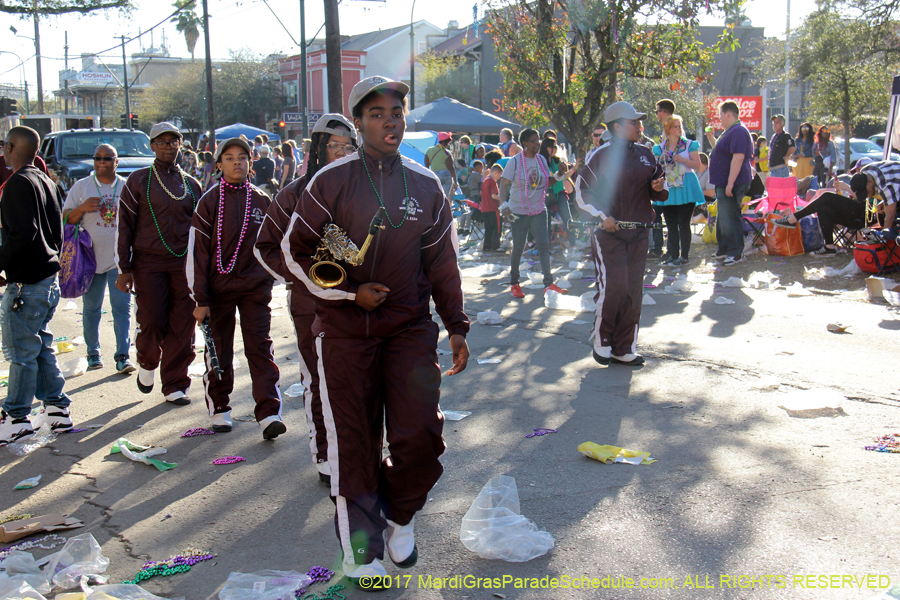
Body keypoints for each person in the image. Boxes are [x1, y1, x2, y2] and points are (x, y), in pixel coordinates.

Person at [281, 75, 469, 585]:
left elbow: (442, 262)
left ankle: (400, 516)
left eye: (397, 112)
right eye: (377, 113)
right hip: (344, 333)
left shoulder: (426, 184)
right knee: (355, 445)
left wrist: (456, 324)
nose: (390, 121)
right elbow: (294, 252)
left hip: (409, 328)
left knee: (421, 436)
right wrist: (348, 293)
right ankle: (362, 553)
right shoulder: (331, 181)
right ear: (359, 123)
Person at [255, 113, 358, 483]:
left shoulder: (367, 191)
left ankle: (357, 452)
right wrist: (302, 277)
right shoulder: (294, 193)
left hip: (357, 302)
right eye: (334, 146)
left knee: (358, 380)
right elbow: (265, 246)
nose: (342, 153)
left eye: (348, 147)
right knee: (319, 380)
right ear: (318, 149)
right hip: (310, 303)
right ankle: (326, 456)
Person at [187, 138, 283, 439]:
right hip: (218, 291)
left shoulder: (262, 200)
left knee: (260, 348)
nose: (236, 162)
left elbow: (274, 245)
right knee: (219, 349)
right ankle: (220, 407)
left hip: (255, 289)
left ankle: (269, 413)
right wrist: (200, 299)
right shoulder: (208, 201)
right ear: (219, 165)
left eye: (242, 157)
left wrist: (271, 278)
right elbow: (197, 253)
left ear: (250, 163)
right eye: (229, 158)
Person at [115, 122, 203, 406]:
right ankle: (148, 361)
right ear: (152, 146)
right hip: (148, 264)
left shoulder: (192, 184)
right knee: (152, 321)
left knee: (183, 325)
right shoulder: (138, 180)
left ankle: (175, 384)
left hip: (183, 266)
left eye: (173, 141)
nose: (168, 146)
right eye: (162, 142)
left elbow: (201, 232)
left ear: (180, 145)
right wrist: (124, 268)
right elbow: (124, 226)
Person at [574, 101, 666, 366]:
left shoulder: (646, 154)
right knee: (614, 286)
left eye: (639, 122)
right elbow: (582, 192)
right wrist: (603, 216)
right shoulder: (600, 156)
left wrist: (658, 187)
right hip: (608, 234)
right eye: (633, 122)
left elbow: (660, 186)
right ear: (616, 127)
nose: (639, 126)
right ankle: (602, 340)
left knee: (633, 291)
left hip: (639, 233)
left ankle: (624, 347)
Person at [0, 126, 75, 445]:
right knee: (40, 346)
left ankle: (16, 417)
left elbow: (22, 233)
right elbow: (57, 233)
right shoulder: (46, 181)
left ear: (11, 148)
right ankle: (57, 409)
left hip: (28, 282)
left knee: (22, 351)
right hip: (46, 278)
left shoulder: (17, 183)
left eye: (4, 146)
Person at [62, 144, 135, 374]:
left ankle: (123, 356)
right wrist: (82, 208)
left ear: (116, 161)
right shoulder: (82, 186)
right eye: (98, 158)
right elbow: (66, 219)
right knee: (92, 309)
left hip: (118, 261)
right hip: (88, 259)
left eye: (107, 158)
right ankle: (93, 353)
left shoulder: (126, 186)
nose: (102, 162)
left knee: (121, 308)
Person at [500, 128, 570, 298]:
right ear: (524, 143)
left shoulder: (541, 160)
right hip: (518, 211)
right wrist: (504, 205)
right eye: (533, 140)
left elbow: (546, 182)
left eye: (538, 140)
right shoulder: (515, 161)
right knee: (518, 247)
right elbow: (503, 184)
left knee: (544, 246)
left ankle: (548, 284)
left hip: (538, 209)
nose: (538, 143)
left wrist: (560, 174)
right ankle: (514, 283)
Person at [652, 115, 703, 266]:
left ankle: (684, 256)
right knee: (670, 223)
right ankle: (673, 255)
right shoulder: (660, 148)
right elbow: (656, 168)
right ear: (668, 129)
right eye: (675, 126)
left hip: (686, 186)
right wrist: (661, 161)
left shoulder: (689, 145)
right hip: (669, 186)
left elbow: (698, 165)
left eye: (680, 126)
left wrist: (683, 160)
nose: (679, 129)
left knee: (684, 222)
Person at [708, 101, 754, 266]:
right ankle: (724, 248)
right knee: (723, 216)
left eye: (720, 114)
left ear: (728, 114)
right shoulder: (729, 131)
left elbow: (738, 157)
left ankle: (736, 252)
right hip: (723, 181)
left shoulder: (738, 131)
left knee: (731, 216)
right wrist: (711, 138)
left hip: (733, 181)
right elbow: (721, 152)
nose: (719, 118)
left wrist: (730, 183)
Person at [539, 137, 577, 240]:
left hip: (560, 193)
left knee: (568, 219)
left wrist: (574, 169)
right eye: (554, 146)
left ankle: (573, 244)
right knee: (545, 223)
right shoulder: (540, 162)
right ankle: (546, 246)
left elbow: (563, 177)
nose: (556, 149)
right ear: (548, 148)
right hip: (546, 194)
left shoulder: (557, 161)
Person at [425, 132, 456, 198]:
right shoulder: (447, 152)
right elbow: (451, 168)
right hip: (446, 175)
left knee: (435, 196)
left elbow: (427, 165)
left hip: (435, 176)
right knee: (445, 197)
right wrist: (455, 182)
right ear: (445, 143)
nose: (448, 145)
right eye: (448, 143)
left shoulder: (429, 150)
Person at [481, 163, 503, 252]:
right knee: (496, 228)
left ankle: (487, 246)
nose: (499, 177)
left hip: (484, 208)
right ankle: (495, 246)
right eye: (499, 175)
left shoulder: (485, 181)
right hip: (492, 208)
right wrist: (503, 198)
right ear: (496, 173)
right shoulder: (492, 182)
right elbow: (494, 196)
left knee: (488, 229)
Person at [768, 114, 795, 178]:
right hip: (773, 169)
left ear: (783, 124)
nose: (775, 124)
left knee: (780, 184)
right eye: (774, 122)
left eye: (777, 122)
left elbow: (792, 147)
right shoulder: (774, 136)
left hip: (781, 168)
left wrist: (786, 156)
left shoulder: (785, 135)